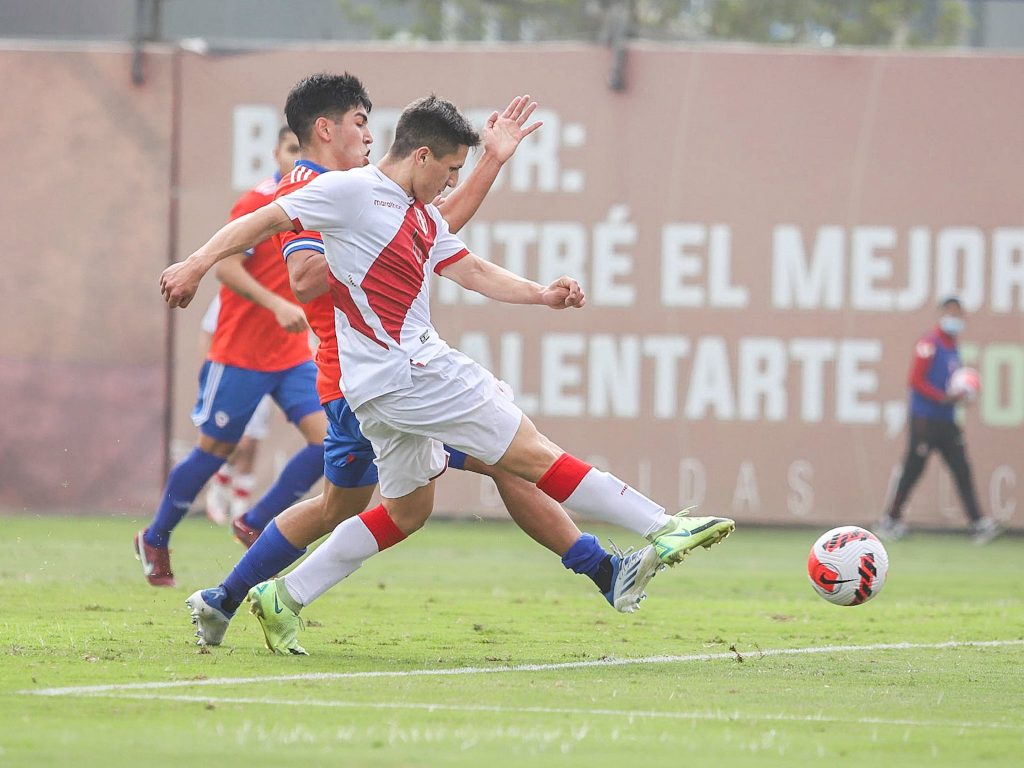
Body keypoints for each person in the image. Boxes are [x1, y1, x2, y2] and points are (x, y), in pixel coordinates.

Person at [163, 91, 735, 654]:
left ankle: (282, 595)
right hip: (407, 372)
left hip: (375, 390)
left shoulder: (411, 210)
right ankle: (658, 527)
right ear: (420, 157)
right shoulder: (344, 190)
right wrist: (194, 265)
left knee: (408, 510)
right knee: (525, 453)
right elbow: (266, 228)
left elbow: (468, 266)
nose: (452, 183)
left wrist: (542, 294)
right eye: (451, 170)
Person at [134, 125, 328, 586]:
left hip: (291, 356)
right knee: (215, 451)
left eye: (303, 150)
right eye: (290, 149)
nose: (297, 158)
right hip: (239, 354)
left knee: (330, 443)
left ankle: (255, 520)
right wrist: (278, 304)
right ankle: (156, 537)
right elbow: (225, 267)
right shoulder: (257, 202)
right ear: (277, 153)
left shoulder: (318, 200)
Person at [877, 296, 1002, 545]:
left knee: (961, 469)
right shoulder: (929, 343)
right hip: (925, 419)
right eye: (950, 312)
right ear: (942, 314)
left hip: (947, 420)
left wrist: (961, 397)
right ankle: (890, 520)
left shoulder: (953, 347)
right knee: (913, 468)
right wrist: (942, 397)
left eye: (958, 313)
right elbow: (915, 380)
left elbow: (953, 384)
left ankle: (978, 522)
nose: (954, 318)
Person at [198, 293, 272, 525]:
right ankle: (219, 484)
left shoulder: (274, 295)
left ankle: (240, 509)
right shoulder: (227, 294)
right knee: (237, 442)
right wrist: (212, 371)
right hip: (233, 376)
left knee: (252, 443)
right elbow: (208, 333)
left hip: (266, 375)